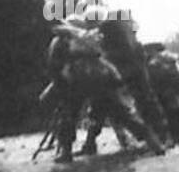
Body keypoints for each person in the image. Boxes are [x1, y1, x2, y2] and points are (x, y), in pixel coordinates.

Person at [45, 21, 165, 163]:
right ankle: (154, 143)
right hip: (102, 76)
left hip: (79, 79)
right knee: (121, 113)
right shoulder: (94, 37)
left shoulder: (62, 41)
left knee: (69, 115)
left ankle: (66, 151)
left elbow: (56, 68)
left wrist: (61, 86)